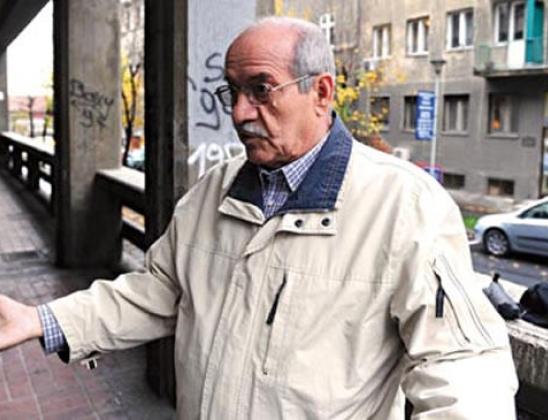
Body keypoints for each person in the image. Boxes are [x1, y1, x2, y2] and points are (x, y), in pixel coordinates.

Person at [0, 16, 518, 419]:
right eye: (233, 90)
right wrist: (40, 320)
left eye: (261, 89)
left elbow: (462, 365)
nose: (239, 112)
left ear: (321, 92)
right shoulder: (213, 191)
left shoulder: (404, 205)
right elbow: (156, 291)